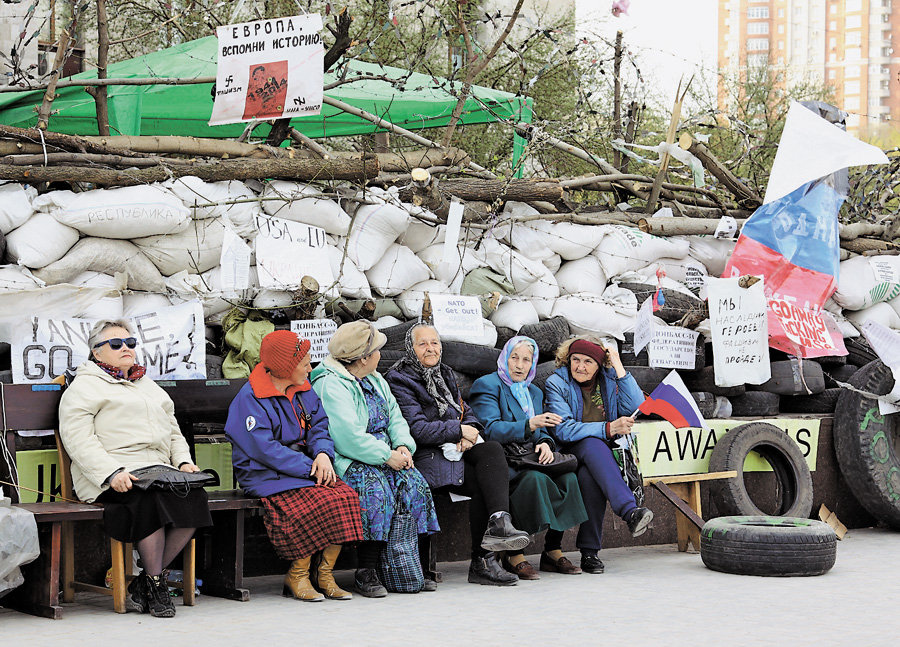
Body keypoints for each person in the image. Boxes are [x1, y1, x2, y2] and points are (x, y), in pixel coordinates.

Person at [58, 319, 212, 618]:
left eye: (130, 343)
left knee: (194, 497)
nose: (125, 348)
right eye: (116, 344)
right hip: (112, 473)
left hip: (157, 469)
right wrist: (111, 473)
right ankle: (157, 586)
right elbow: (78, 440)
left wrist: (182, 461)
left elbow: (173, 430)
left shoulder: (146, 384)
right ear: (96, 352)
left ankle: (145, 582)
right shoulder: (84, 387)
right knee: (148, 500)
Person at [386, 323, 530, 587]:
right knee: (483, 478)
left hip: (455, 453)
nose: (431, 348)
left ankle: (499, 524)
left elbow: (466, 411)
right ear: (410, 348)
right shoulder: (400, 379)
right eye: (423, 344)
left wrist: (470, 430)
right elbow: (416, 429)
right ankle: (483, 560)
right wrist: (457, 430)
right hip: (427, 457)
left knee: (491, 453)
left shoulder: (444, 373)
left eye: (435, 343)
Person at [224, 330, 364, 602]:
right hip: (263, 473)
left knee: (345, 496)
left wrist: (323, 454)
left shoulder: (303, 388)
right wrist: (311, 467)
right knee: (312, 502)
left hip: (303, 467)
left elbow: (319, 426)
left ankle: (324, 575)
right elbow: (264, 449)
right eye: (305, 364)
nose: (310, 369)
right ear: (286, 368)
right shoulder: (250, 398)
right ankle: (297, 575)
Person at [311, 321, 439, 597]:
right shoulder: (330, 384)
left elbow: (395, 417)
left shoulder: (375, 379)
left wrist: (403, 446)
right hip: (351, 459)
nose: (382, 353)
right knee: (375, 490)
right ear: (364, 358)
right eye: (377, 349)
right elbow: (347, 437)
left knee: (414, 485)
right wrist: (386, 456)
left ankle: (408, 564)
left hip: (387, 455)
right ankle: (366, 570)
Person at [469, 336, 589, 580]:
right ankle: (516, 555)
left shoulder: (533, 391)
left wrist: (545, 442)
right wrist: (528, 425)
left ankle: (553, 550)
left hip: (530, 456)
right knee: (533, 479)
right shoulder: (488, 385)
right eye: (515, 358)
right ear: (505, 358)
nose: (520, 365)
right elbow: (489, 429)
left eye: (526, 360)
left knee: (568, 478)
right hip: (504, 460)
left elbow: (543, 430)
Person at [543, 336, 653, 574]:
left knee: (589, 478)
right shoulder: (556, 383)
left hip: (597, 456)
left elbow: (636, 406)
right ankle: (629, 511)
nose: (580, 367)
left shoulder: (609, 380)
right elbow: (563, 429)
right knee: (593, 444)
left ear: (599, 365)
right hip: (567, 449)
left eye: (588, 362)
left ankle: (589, 553)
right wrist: (608, 428)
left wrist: (619, 367)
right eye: (575, 360)